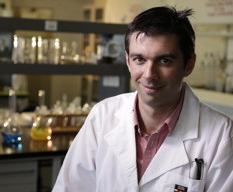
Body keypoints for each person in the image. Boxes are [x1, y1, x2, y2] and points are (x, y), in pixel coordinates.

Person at [52, 6, 233, 192]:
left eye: (164, 61)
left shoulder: (221, 135)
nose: (149, 74)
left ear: (189, 64)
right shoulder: (102, 116)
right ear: (128, 61)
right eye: (139, 59)